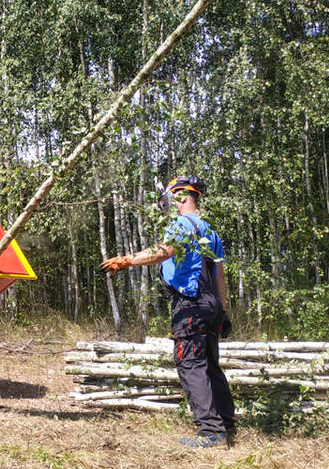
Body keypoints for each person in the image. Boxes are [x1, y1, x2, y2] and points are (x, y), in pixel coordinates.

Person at [100, 176, 235, 448]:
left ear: (183, 196)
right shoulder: (211, 231)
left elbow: (164, 252)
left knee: (191, 364)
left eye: (173, 197)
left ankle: (211, 431)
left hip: (190, 305)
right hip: (209, 305)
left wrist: (127, 260)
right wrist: (223, 309)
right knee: (209, 365)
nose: (170, 203)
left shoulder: (182, 224)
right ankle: (226, 423)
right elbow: (219, 275)